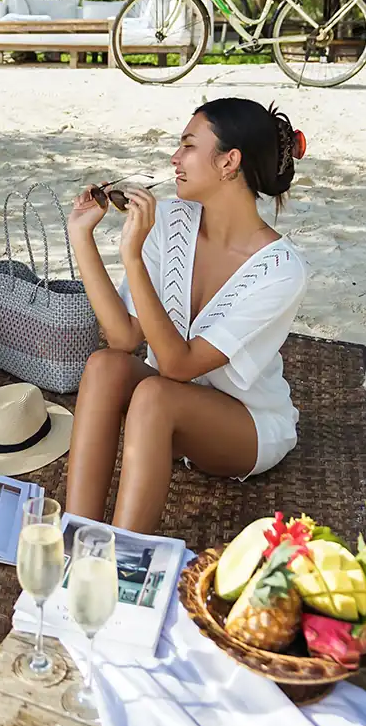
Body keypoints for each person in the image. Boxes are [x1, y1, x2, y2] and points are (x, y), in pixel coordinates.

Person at [65, 98, 307, 534]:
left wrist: (133, 258)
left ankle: (121, 563)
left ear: (229, 162)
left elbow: (177, 365)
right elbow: (122, 337)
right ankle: (77, 536)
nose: (175, 158)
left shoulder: (281, 269)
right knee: (104, 366)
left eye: (189, 145)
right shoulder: (173, 220)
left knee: (156, 394)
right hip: (162, 407)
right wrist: (81, 236)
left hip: (245, 425)